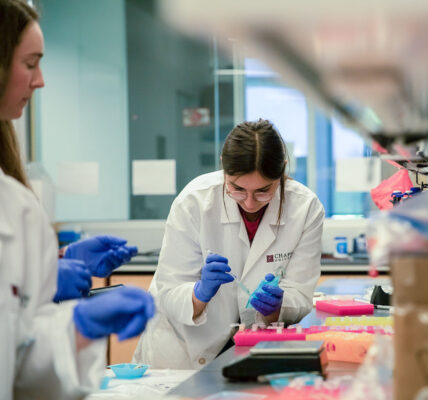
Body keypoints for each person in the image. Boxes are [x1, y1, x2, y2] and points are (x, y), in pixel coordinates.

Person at [0, 1, 154, 398]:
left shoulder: (14, 204)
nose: (41, 81)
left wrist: (78, 324)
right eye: (30, 63)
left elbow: (18, 363)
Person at [133, 119, 325, 368]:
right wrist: (199, 293)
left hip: (251, 350)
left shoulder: (305, 208)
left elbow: (300, 293)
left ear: (283, 171)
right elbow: (169, 291)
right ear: (224, 167)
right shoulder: (195, 202)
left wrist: (278, 307)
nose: (249, 202)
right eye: (237, 189)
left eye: (263, 191)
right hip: (182, 352)